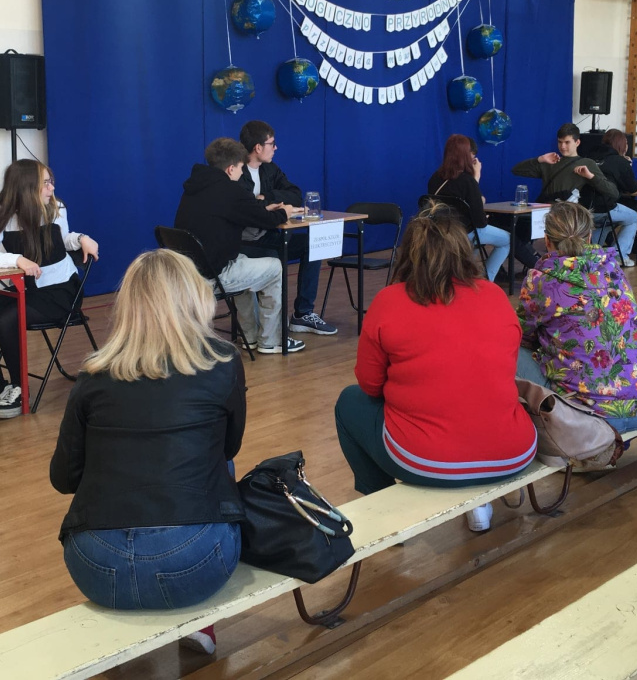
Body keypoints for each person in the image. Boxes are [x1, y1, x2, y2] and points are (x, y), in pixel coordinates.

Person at [51, 249, 244, 654]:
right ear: (196, 298)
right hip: (195, 559)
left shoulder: (92, 376)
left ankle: (118, 629)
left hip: (94, 564)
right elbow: (230, 448)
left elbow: (63, 478)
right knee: (220, 461)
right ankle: (198, 623)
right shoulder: (224, 362)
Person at [334, 204, 536, 534]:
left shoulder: (389, 300)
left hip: (425, 459)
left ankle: (383, 509)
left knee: (349, 402)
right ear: (464, 249)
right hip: (514, 452)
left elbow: (369, 385)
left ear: (409, 254)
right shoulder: (495, 295)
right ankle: (478, 503)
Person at [0, 159, 99, 419]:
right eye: (45, 183)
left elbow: (64, 240)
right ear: (26, 186)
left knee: (7, 319)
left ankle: (18, 386)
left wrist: (82, 238)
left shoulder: (56, 207)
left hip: (60, 292)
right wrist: (17, 260)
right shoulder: (1, 212)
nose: (52, 188)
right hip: (27, 290)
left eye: (51, 181)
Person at [516, 202, 637, 433]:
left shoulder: (541, 279)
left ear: (546, 240)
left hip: (590, 414)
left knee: (508, 351)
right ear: (590, 236)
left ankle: (522, 434)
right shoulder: (613, 268)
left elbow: (522, 335)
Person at [175, 138, 307, 354]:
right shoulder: (230, 190)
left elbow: (241, 210)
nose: (241, 172)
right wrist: (285, 212)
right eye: (240, 168)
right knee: (275, 267)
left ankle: (250, 337)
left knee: (242, 261)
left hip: (187, 272)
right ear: (231, 169)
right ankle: (271, 341)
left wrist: (262, 209)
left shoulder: (194, 187)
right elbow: (266, 220)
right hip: (213, 275)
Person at [236, 120, 336, 336]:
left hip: (269, 236)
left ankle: (302, 314)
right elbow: (245, 209)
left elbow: (294, 194)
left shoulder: (270, 168)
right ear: (258, 147)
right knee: (273, 257)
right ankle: (270, 328)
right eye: (272, 143)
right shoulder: (236, 171)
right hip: (244, 243)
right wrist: (266, 205)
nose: (276, 148)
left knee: (312, 244)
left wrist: (267, 196)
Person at [509, 123, 620, 269]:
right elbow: (516, 170)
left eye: (567, 142)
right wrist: (540, 159)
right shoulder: (551, 161)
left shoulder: (586, 163)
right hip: (542, 213)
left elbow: (613, 192)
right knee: (513, 234)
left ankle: (543, 267)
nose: (562, 146)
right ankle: (539, 265)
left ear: (577, 142)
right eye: (560, 142)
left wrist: (591, 176)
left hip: (565, 217)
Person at [427, 133, 512, 282]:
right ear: (466, 156)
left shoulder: (434, 178)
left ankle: (463, 275)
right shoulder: (468, 181)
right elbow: (480, 222)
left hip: (441, 232)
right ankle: (486, 280)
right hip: (464, 234)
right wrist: (476, 177)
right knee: (507, 240)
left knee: (474, 240)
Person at [587, 128, 637, 267]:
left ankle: (594, 255)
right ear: (621, 145)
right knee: (633, 217)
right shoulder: (619, 161)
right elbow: (633, 188)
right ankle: (619, 255)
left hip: (585, 208)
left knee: (606, 222)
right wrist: (628, 165)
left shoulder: (590, 157)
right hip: (605, 207)